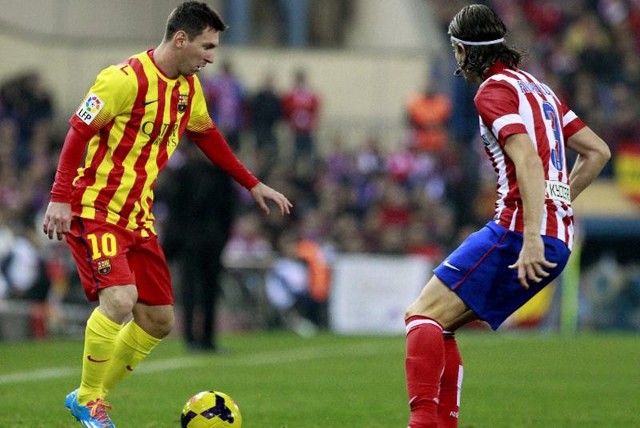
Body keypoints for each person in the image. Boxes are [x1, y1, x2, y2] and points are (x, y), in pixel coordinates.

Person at [41, 2, 292, 427]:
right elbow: (78, 132)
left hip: (138, 217)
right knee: (120, 300)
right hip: (95, 208)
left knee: (158, 321)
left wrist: (252, 183)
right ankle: (88, 399)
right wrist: (59, 197)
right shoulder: (121, 80)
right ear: (181, 39)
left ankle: (90, 394)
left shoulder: (187, 89)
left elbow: (208, 137)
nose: (211, 57)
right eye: (206, 46)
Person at [403, 5, 611, 428]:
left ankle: (423, 423)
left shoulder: (491, 91)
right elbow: (597, 152)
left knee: (420, 316)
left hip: (518, 233)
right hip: (558, 238)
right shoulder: (540, 89)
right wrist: (558, 204)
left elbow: (527, 160)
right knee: (440, 325)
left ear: (463, 50)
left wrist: (532, 234)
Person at [161, 144, 236, 353]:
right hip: (191, 242)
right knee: (191, 290)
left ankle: (207, 339)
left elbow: (228, 211)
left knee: (209, 290)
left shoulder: (220, 174)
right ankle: (192, 339)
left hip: (211, 242)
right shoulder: (187, 173)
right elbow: (176, 210)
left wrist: (222, 239)